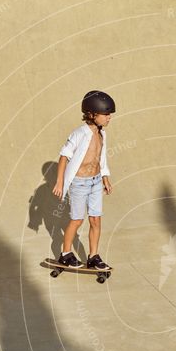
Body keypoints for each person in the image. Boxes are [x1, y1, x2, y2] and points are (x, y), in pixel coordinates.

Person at [52, 90, 114, 270]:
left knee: (96, 220)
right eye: (106, 114)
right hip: (79, 183)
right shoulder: (79, 133)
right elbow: (64, 156)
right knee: (77, 220)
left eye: (110, 114)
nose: (109, 118)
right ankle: (65, 254)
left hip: (95, 182)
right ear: (92, 114)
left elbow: (101, 158)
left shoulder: (102, 134)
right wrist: (59, 181)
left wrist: (105, 177)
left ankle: (93, 256)